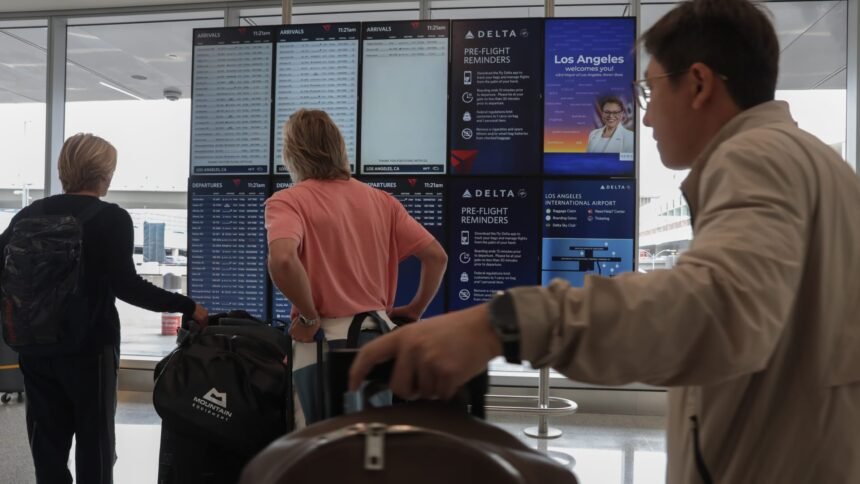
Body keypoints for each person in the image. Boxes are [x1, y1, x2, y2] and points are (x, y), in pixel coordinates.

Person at [351, 1, 860, 482]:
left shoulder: (754, 157)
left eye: (649, 92)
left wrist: (503, 323)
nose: (647, 117)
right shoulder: (819, 165)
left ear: (699, 84)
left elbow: (718, 309)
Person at [0, 133, 209, 484]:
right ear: (104, 174)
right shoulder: (111, 218)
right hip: (90, 350)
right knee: (94, 443)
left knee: (46, 444)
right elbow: (127, 286)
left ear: (64, 169)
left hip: (35, 346)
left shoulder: (28, 214)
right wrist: (187, 306)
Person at [266, 109, 447, 425]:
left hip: (321, 342)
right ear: (339, 146)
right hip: (377, 340)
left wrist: (308, 316)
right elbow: (436, 256)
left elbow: (282, 259)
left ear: (292, 153)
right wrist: (414, 310)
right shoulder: (382, 201)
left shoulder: (289, 201)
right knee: (370, 443)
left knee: (316, 443)